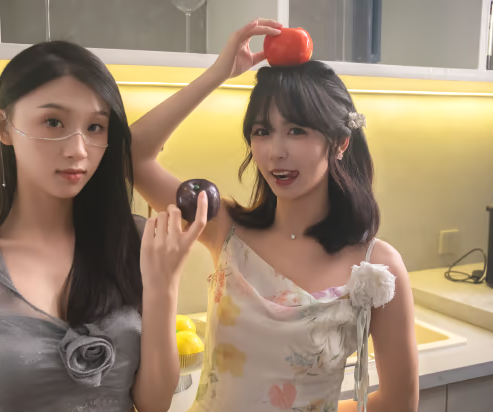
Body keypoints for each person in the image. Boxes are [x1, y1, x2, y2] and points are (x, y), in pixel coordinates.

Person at [130, 19, 419, 412]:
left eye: (296, 131)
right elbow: (132, 155)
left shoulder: (376, 267)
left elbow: (399, 403)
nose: (275, 152)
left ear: (340, 142)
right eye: (262, 131)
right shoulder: (224, 229)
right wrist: (218, 74)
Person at [0, 41, 207, 412]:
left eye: (95, 127)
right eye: (53, 122)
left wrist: (164, 287)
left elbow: (153, 404)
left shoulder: (133, 240)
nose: (78, 149)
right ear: (3, 126)